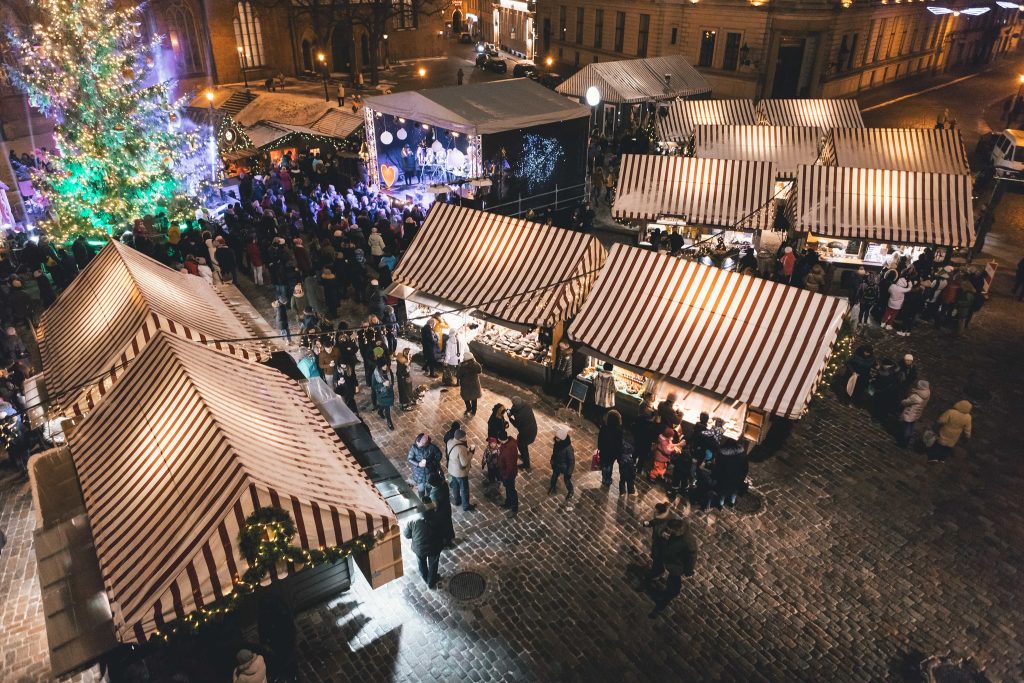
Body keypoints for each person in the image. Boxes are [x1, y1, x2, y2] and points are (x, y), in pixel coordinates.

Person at [648, 519, 698, 618]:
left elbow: (692, 557)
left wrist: (688, 570)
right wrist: (661, 534)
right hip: (664, 553)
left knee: (673, 585)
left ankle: (662, 604)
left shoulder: (688, 542)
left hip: (675, 563)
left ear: (677, 530)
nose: (668, 531)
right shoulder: (671, 523)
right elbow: (659, 527)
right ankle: (657, 573)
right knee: (657, 565)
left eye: (670, 530)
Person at [403, 498, 444, 588]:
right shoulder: (438, 517)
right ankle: (431, 581)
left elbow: (407, 535)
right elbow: (442, 532)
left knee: (421, 562)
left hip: (419, 548)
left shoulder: (413, 519)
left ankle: (425, 578)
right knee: (433, 564)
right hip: (434, 547)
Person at [711, 438, 748, 508]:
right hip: (737, 478)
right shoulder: (742, 454)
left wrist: (714, 477)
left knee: (723, 493)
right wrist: (742, 477)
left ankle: (720, 505)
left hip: (725, 478)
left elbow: (718, 468)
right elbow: (745, 468)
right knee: (734, 492)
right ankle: (732, 503)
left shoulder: (722, 455)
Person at [446, 429, 475, 512]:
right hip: (460, 472)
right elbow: (464, 463)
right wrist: (471, 452)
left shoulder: (449, 442)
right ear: (461, 438)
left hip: (452, 469)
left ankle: (457, 501)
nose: (465, 438)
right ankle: (466, 506)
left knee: (455, 485)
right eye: (464, 437)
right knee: (464, 489)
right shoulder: (460, 448)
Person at [407, 433, 442, 497]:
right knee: (421, 488)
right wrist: (418, 464)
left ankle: (428, 497)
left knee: (429, 486)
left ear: (425, 443)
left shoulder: (432, 447)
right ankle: (422, 499)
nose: (418, 445)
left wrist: (432, 463)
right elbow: (410, 459)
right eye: (418, 443)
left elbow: (439, 455)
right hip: (419, 473)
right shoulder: (414, 448)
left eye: (420, 443)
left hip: (430, 472)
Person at [898, 380, 930, 448]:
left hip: (909, 414)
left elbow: (906, 402)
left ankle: (903, 442)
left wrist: (902, 401)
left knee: (906, 429)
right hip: (916, 413)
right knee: (911, 427)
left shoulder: (916, 396)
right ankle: (908, 441)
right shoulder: (927, 393)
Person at [508, 396, 537, 470]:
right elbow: (514, 408)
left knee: (521, 445)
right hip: (532, 429)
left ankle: (526, 464)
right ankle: (524, 456)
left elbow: (516, 425)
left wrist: (510, 418)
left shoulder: (519, 416)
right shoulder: (526, 405)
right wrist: (511, 411)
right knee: (523, 445)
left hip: (527, 433)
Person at [426, 471, 455, 547]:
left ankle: (446, 542)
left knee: (443, 527)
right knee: (448, 524)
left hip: (440, 513)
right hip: (447, 508)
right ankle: (449, 539)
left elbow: (435, 506)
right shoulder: (444, 484)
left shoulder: (434, 493)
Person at [597, 409, 624, 488]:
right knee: (610, 466)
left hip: (604, 451)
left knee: (604, 465)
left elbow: (600, 438)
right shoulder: (619, 431)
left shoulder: (604, 428)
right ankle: (608, 479)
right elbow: (619, 444)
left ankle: (604, 478)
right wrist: (619, 454)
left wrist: (599, 447)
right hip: (612, 453)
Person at [548, 424, 575, 500]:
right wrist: (552, 459)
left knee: (567, 481)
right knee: (554, 477)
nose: (556, 439)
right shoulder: (557, 444)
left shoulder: (568, 449)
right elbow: (554, 453)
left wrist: (569, 472)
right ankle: (553, 488)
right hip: (556, 465)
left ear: (562, 439)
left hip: (565, 468)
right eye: (556, 437)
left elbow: (571, 461)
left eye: (558, 438)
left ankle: (571, 491)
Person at [496, 430, 519, 517]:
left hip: (508, 474)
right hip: (507, 473)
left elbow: (509, 466)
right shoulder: (510, 443)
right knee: (508, 489)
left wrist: (505, 476)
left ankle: (514, 509)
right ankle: (508, 502)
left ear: (500, 439)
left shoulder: (507, 451)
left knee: (511, 490)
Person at [371, 359, 396, 430]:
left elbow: (392, 377)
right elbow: (374, 386)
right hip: (382, 393)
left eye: (386, 365)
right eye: (383, 365)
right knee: (387, 407)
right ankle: (389, 421)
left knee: (384, 405)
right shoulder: (375, 374)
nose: (386, 366)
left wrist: (391, 384)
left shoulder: (388, 370)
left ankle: (380, 411)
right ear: (380, 366)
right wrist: (382, 384)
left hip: (389, 391)